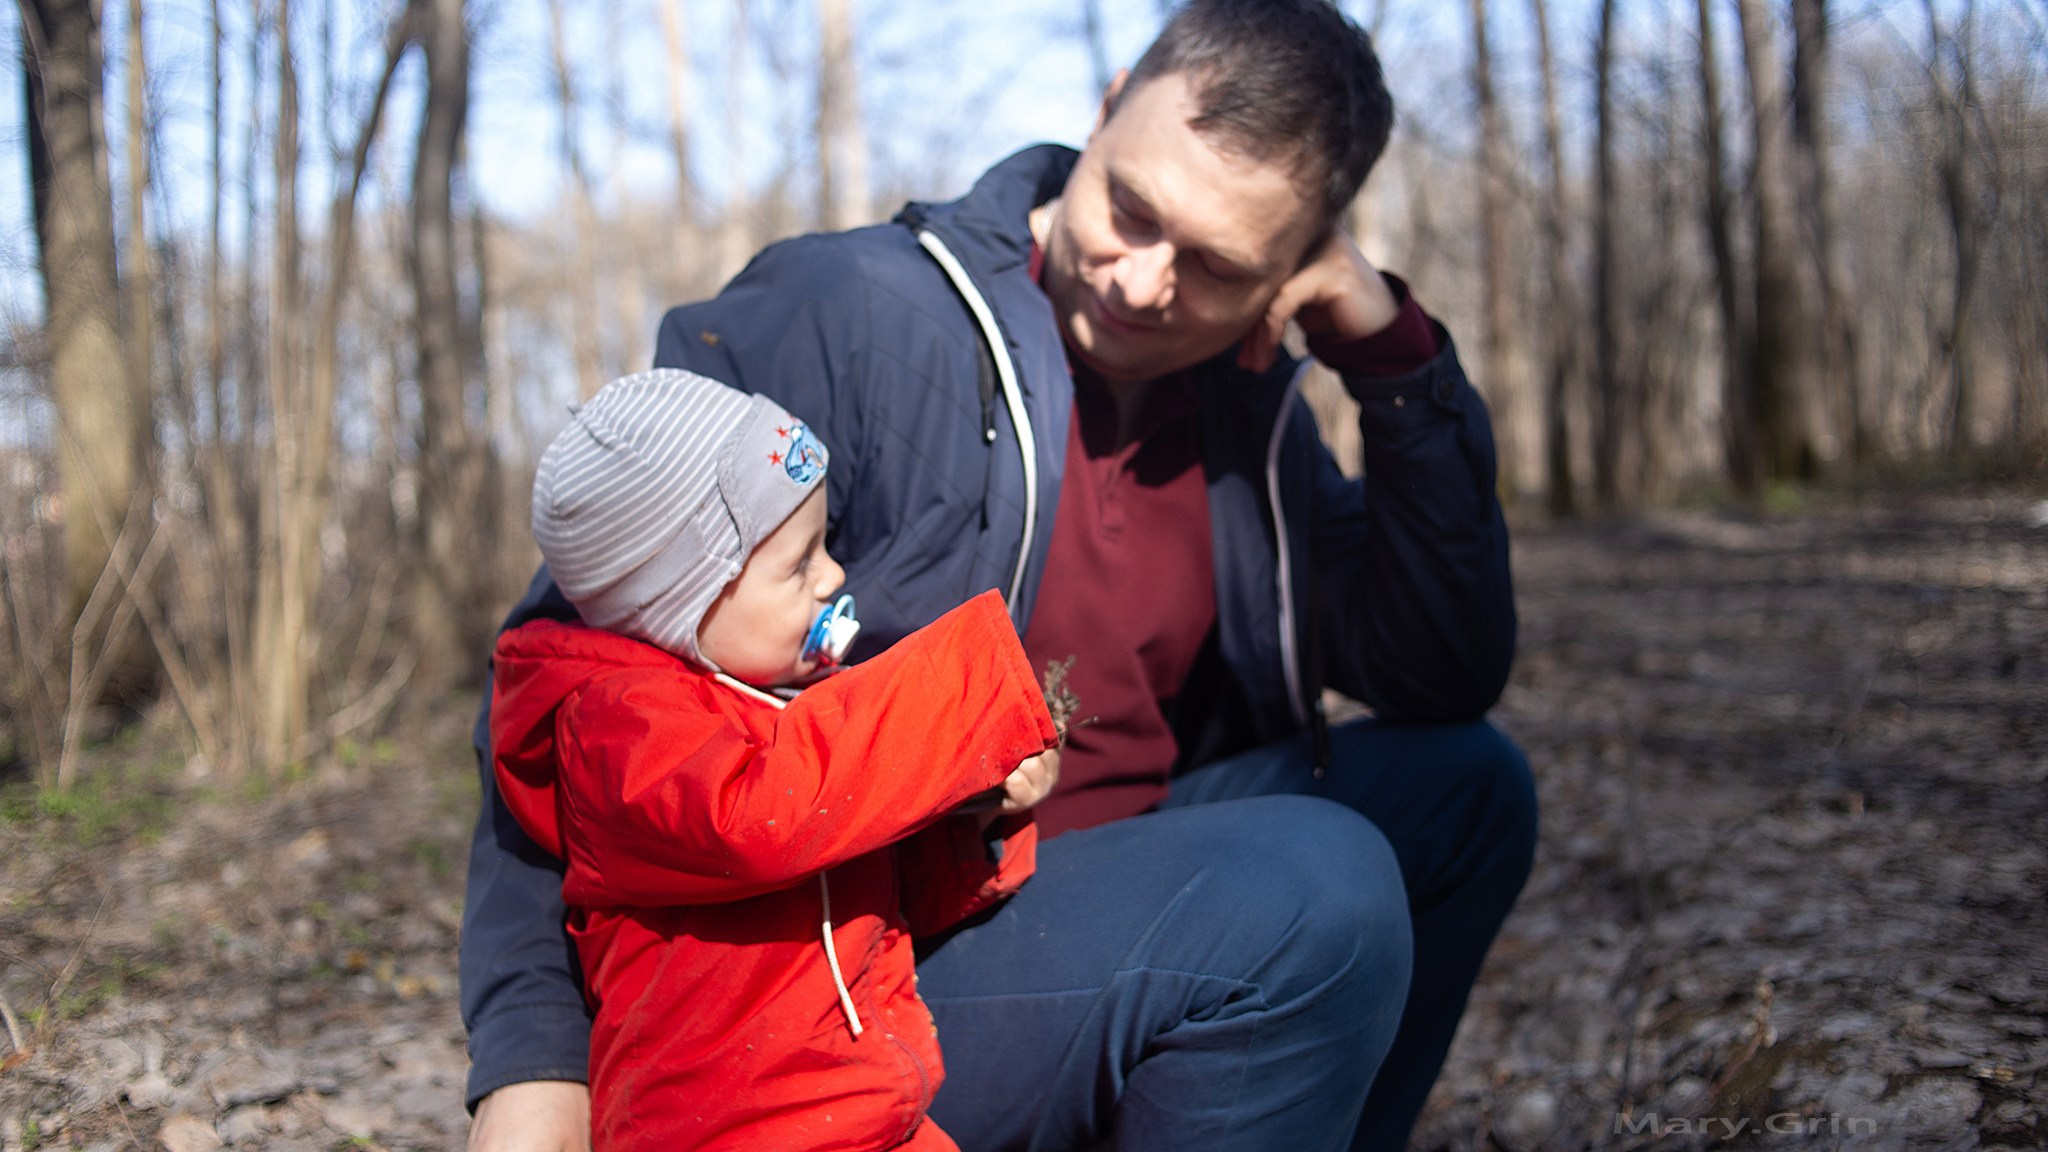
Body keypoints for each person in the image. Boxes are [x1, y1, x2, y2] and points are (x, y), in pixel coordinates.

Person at [463, 1, 1538, 1148]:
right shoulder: (852, 317)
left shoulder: (1246, 406)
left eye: (1217, 267)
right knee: (1316, 885)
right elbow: (573, 697)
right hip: (872, 952)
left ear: (1291, 268)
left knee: (1465, 790)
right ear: (1109, 99)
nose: (1139, 282)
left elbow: (1439, 669)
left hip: (1145, 878)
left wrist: (1392, 361)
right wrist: (535, 1073)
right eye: (1130, 209)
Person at [489, 368, 1063, 1151]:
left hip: (859, 1110)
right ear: (681, 599)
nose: (832, 576)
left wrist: (977, 807)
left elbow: (877, 883)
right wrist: (970, 699)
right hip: (725, 1130)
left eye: (823, 547)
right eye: (797, 565)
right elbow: (761, 816)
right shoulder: (616, 726)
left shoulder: (767, 702)